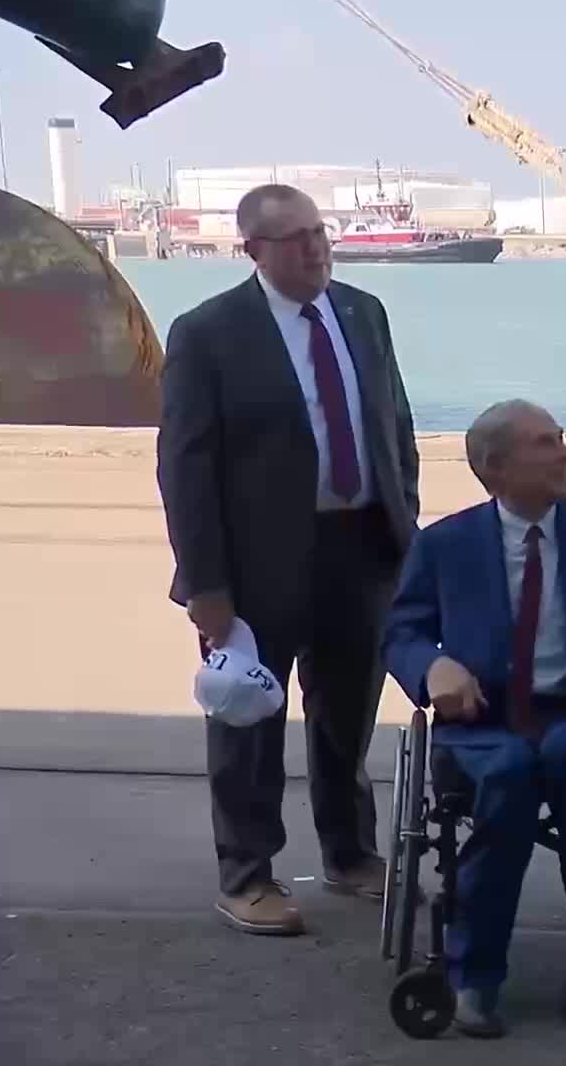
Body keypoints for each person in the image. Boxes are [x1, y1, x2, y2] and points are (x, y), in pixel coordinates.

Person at [156, 183, 420, 935]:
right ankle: (246, 875)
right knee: (249, 724)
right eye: (296, 238)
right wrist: (206, 585)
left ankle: (350, 853)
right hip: (255, 563)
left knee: (346, 716)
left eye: (320, 233)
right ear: (254, 251)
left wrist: (405, 514)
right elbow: (185, 465)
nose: (315, 248)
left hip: (362, 548)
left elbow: (391, 421)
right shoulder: (209, 331)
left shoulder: (363, 314)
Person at [385, 399, 566, 1038]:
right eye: (546, 443)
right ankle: (474, 975)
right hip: (484, 724)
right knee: (510, 771)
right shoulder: (445, 544)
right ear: (495, 467)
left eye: (563, 438)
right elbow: (402, 631)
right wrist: (433, 670)